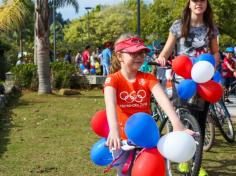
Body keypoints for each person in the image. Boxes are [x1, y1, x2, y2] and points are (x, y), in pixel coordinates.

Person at [104, 33, 195, 176]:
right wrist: (114, 130)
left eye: (141, 53)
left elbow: (163, 99)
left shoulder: (148, 78)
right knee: (124, 172)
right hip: (121, 138)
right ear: (120, 56)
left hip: (147, 137)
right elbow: (110, 105)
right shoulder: (112, 79)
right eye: (133, 53)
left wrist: (177, 124)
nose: (139, 56)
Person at [156, 0, 219, 175]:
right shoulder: (178, 26)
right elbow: (167, 50)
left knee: (200, 121)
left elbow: (215, 52)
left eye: (202, 0)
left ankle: (197, 163)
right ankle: (184, 159)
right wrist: (161, 58)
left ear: (206, 3)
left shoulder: (211, 27)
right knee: (184, 119)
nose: (199, 3)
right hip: (183, 80)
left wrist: (214, 65)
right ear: (189, 4)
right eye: (195, 0)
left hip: (204, 81)